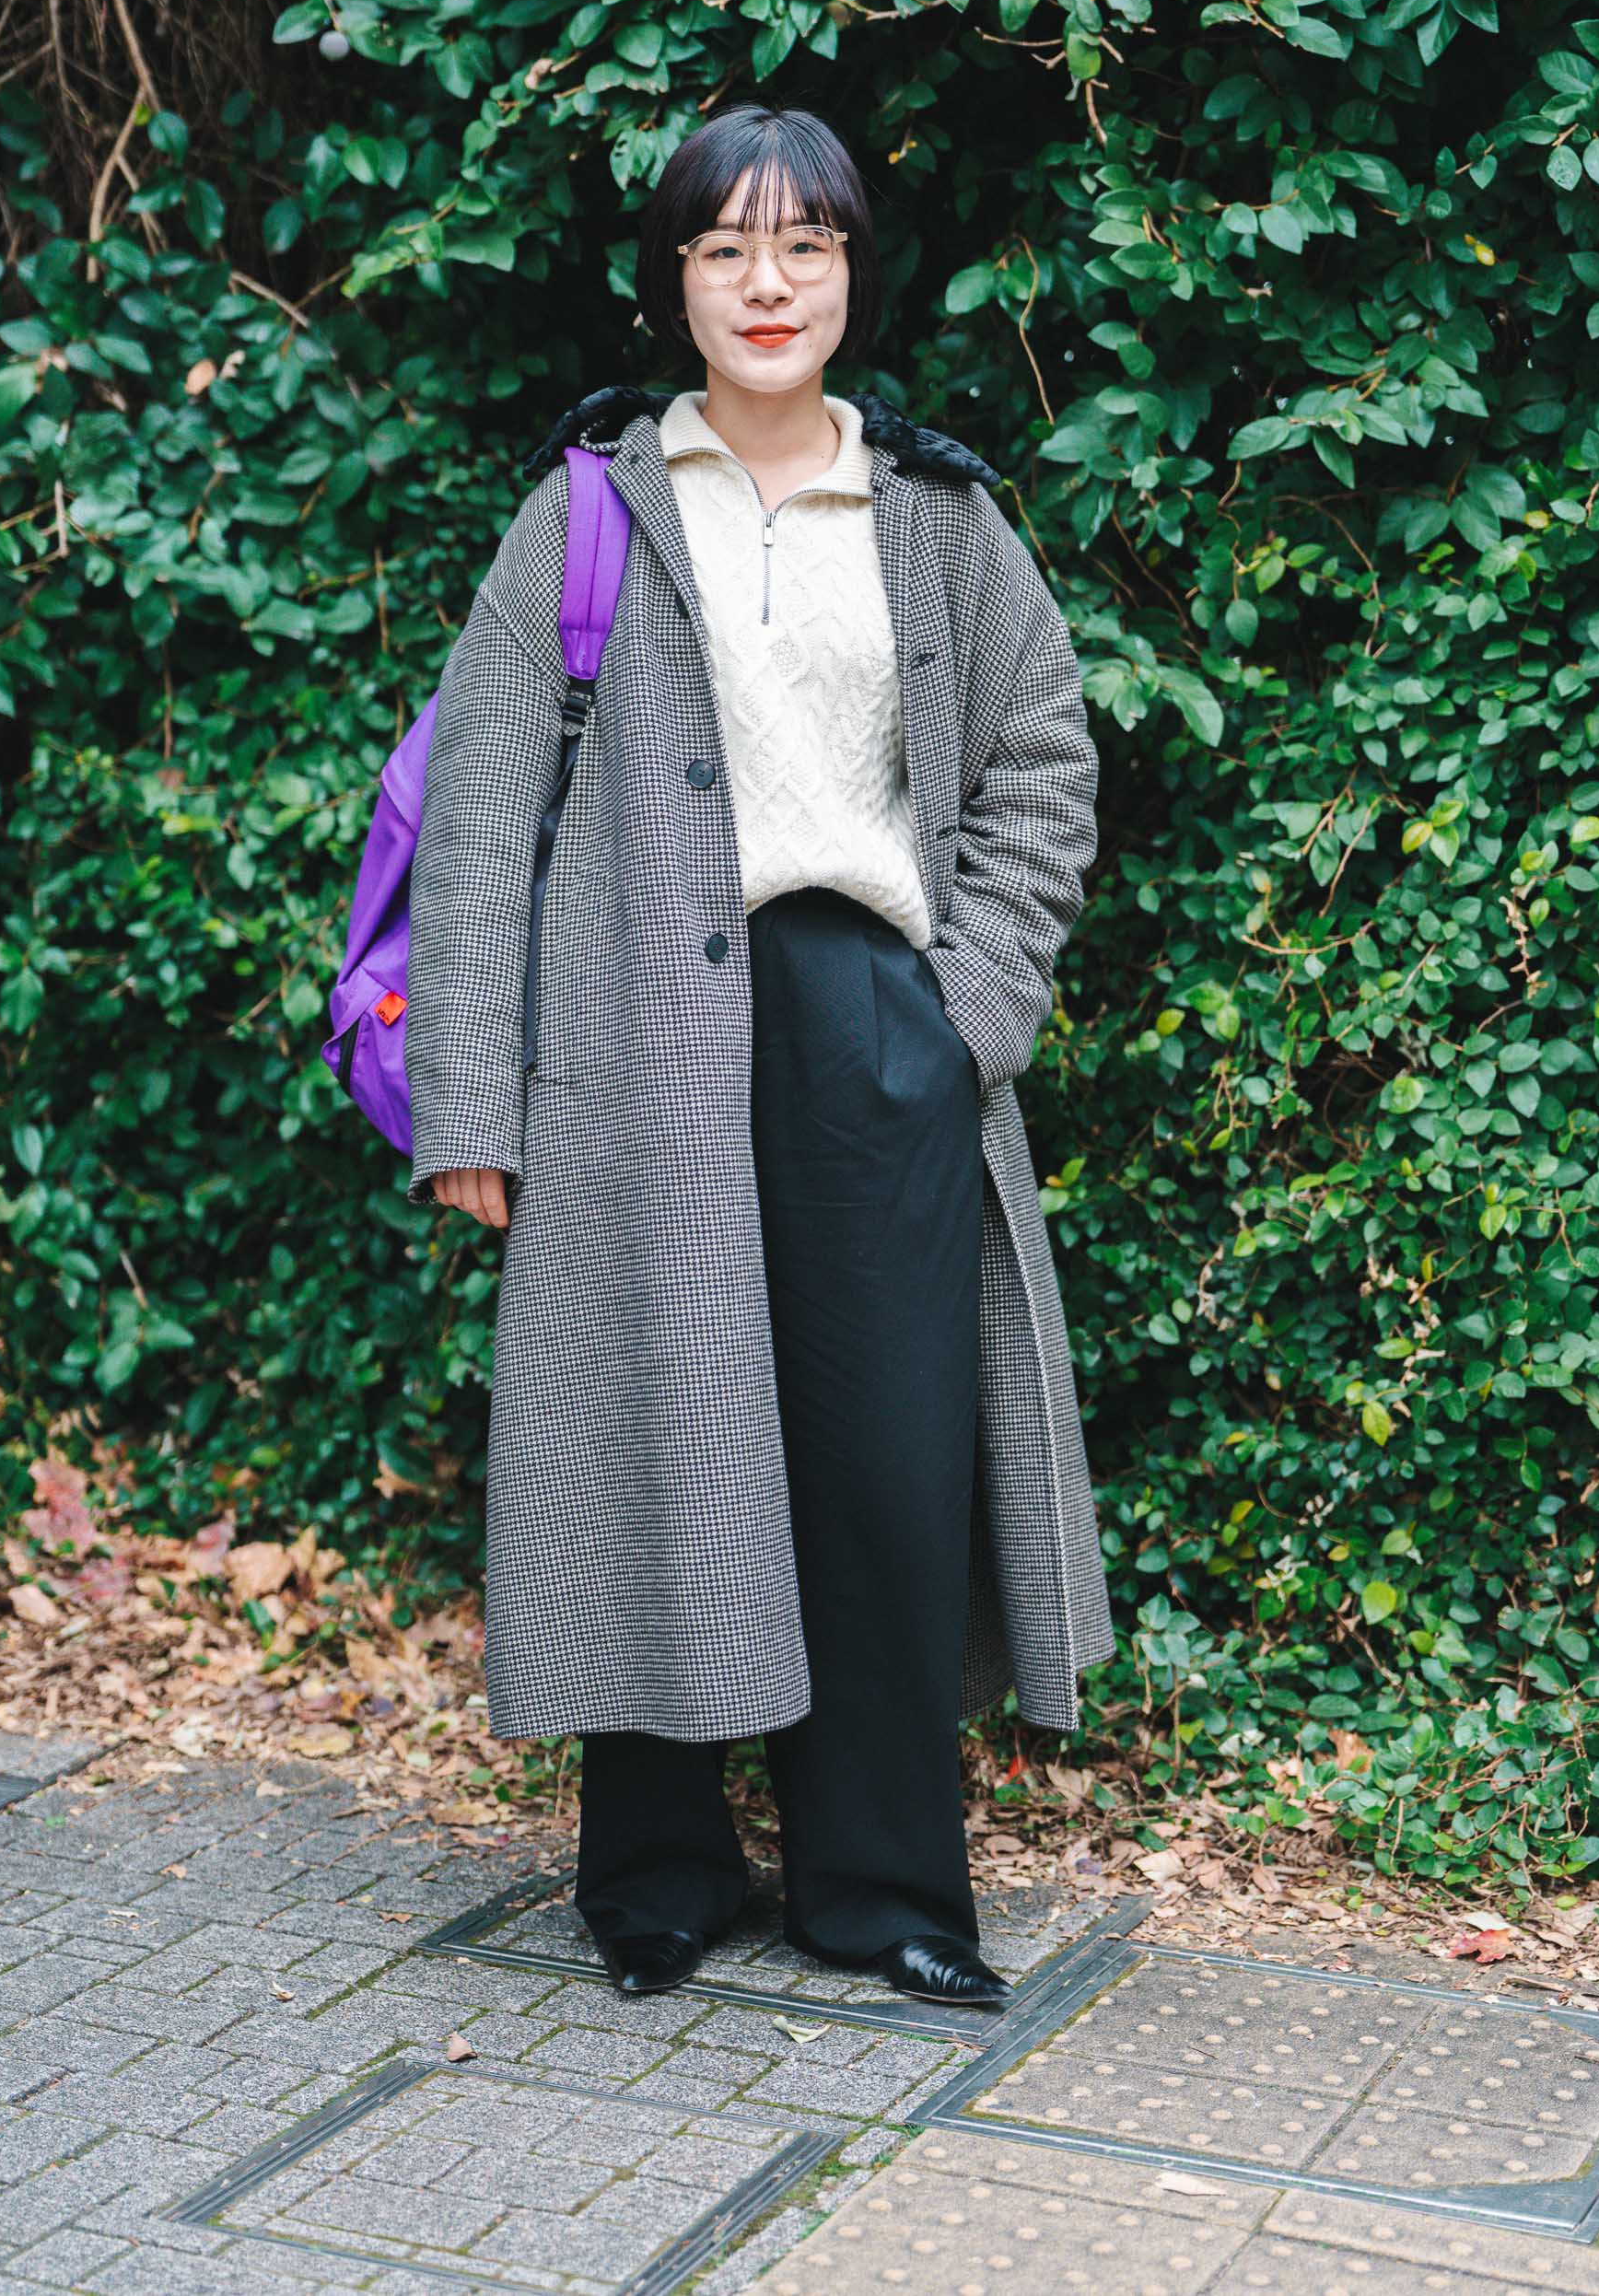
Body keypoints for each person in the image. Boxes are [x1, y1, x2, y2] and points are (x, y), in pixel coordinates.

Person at [405, 101, 1114, 2010]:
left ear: (854, 272)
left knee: (887, 1469)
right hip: (634, 1045)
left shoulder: (942, 515)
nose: (769, 281)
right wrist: (472, 1100)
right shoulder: (588, 513)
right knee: (654, 1438)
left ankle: (881, 1891)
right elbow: (478, 816)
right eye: (727, 248)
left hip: (879, 1031)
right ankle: (657, 1875)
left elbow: (1044, 761)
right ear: (677, 283)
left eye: (806, 243)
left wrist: (968, 1012)